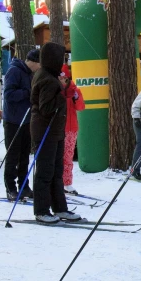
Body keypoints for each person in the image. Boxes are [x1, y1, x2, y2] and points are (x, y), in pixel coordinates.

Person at [31, 42, 80, 223]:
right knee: (45, 171)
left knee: (56, 171)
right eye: (61, 58)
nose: (63, 62)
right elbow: (46, 108)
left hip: (55, 131)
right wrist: (62, 93)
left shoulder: (50, 76)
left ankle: (59, 207)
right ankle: (42, 210)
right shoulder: (46, 79)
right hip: (46, 130)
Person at [3, 50, 40, 200]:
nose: (40, 67)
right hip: (13, 120)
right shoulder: (14, 71)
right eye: (39, 64)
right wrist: (26, 93)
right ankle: (10, 188)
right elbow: (8, 95)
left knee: (25, 155)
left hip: (26, 119)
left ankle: (24, 186)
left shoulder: (29, 74)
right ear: (33, 61)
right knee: (13, 156)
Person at [59, 64, 85, 195]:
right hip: (58, 128)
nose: (62, 81)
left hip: (71, 128)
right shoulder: (55, 89)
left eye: (64, 78)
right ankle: (57, 183)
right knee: (57, 157)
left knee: (68, 157)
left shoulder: (74, 89)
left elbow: (80, 107)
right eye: (60, 78)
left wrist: (76, 97)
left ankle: (67, 183)